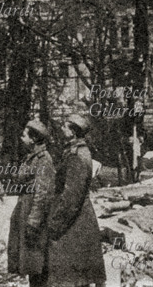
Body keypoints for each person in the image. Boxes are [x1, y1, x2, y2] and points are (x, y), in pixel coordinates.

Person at [47, 114, 107, 287]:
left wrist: (56, 224)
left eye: (65, 127)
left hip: (75, 222)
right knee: (79, 276)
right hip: (79, 219)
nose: (61, 129)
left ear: (73, 132)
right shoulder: (76, 151)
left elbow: (72, 196)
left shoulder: (76, 155)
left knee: (71, 276)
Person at [7, 120, 56, 287]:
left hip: (34, 216)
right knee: (30, 263)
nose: (22, 138)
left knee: (37, 264)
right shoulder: (31, 158)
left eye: (24, 135)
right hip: (25, 210)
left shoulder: (44, 159)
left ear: (33, 139)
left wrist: (34, 221)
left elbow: (43, 193)